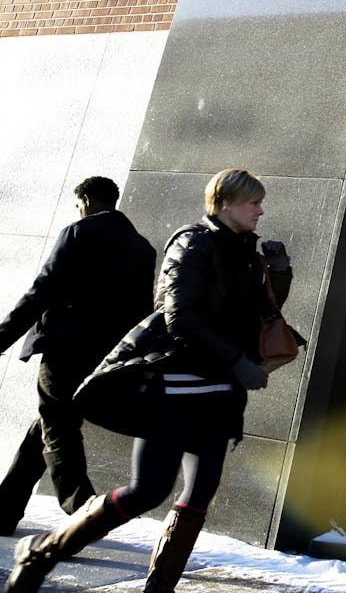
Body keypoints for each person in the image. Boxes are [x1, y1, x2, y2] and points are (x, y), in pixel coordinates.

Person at [6, 169, 295, 593]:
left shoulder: (246, 252)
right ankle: (43, 551)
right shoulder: (192, 243)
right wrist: (236, 361)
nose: (260, 210)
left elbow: (256, 315)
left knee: (197, 500)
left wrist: (280, 273)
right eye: (254, 202)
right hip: (175, 392)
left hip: (218, 397)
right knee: (147, 491)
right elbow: (179, 317)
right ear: (226, 203)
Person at [0, 176, 155, 533]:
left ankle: (86, 509)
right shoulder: (142, 247)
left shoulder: (78, 233)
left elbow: (41, 289)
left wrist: (2, 337)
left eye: (78, 204)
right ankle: (4, 511)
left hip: (65, 349)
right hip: (107, 357)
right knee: (46, 426)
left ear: (86, 199)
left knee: (58, 425)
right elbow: (141, 311)